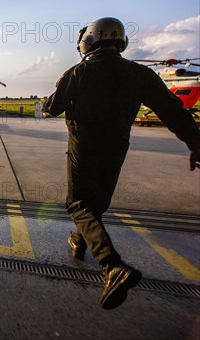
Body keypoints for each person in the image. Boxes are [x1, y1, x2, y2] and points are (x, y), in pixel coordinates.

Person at [44, 17, 200, 309]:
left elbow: (52, 108)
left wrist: (52, 96)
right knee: (97, 204)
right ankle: (80, 241)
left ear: (89, 40)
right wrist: (195, 142)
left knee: (79, 204)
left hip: (83, 149)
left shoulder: (78, 72)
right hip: (116, 149)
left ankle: (111, 265)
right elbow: (172, 110)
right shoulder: (139, 74)